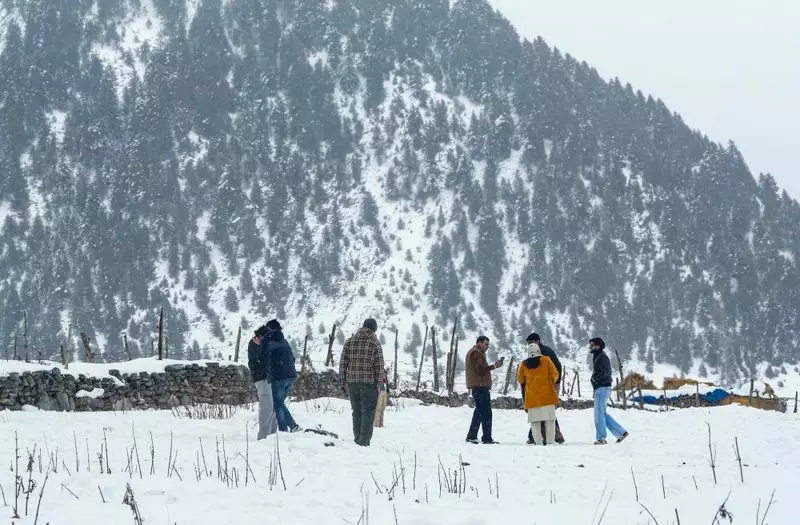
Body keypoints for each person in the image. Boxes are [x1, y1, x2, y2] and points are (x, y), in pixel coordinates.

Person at [340, 318, 385, 446]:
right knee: (368, 413)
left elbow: (343, 362)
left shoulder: (350, 341)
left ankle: (357, 439)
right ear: (374, 329)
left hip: (352, 383)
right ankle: (364, 442)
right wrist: (378, 385)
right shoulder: (375, 343)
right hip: (368, 385)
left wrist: (343, 381)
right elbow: (379, 366)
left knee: (357, 412)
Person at [523, 333, 565, 444]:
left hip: (549, 386)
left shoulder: (545, 352)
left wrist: (554, 383)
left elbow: (557, 368)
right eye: (528, 343)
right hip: (543, 387)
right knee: (546, 412)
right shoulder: (540, 352)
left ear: (537, 341)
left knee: (545, 412)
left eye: (531, 342)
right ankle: (546, 436)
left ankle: (552, 436)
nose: (529, 345)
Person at [516, 341, 560, 445]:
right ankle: (550, 442)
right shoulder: (546, 360)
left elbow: (520, 379)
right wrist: (550, 382)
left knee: (535, 422)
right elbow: (555, 374)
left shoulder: (524, 364)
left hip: (532, 399)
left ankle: (538, 442)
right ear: (538, 350)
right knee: (550, 421)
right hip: (547, 396)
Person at [590, 337, 629, 445]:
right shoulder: (598, 356)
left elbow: (606, 373)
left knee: (599, 415)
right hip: (602, 388)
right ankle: (621, 433)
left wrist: (594, 379)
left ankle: (601, 438)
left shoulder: (602, 357)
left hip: (602, 388)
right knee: (602, 414)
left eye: (592, 345)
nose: (590, 347)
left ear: (598, 346)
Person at [263, 319, 300, 433]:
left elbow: (262, 356)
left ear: (269, 329)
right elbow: (292, 358)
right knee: (280, 403)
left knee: (278, 404)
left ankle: (286, 429)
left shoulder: (269, 342)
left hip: (278, 377)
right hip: (290, 375)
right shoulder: (284, 341)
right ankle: (292, 425)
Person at [465, 335, 503, 444]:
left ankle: (476, 436)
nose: (487, 347)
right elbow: (480, 370)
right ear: (479, 343)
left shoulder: (476, 353)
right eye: (486, 344)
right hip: (480, 386)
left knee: (480, 412)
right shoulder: (476, 353)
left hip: (479, 386)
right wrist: (494, 366)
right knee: (485, 412)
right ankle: (483, 437)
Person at [248, 325, 277, 439]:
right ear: (260, 336)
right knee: (267, 407)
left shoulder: (264, 344)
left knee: (273, 407)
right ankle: (263, 437)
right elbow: (258, 361)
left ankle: (272, 435)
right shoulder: (255, 344)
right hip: (261, 378)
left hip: (269, 378)